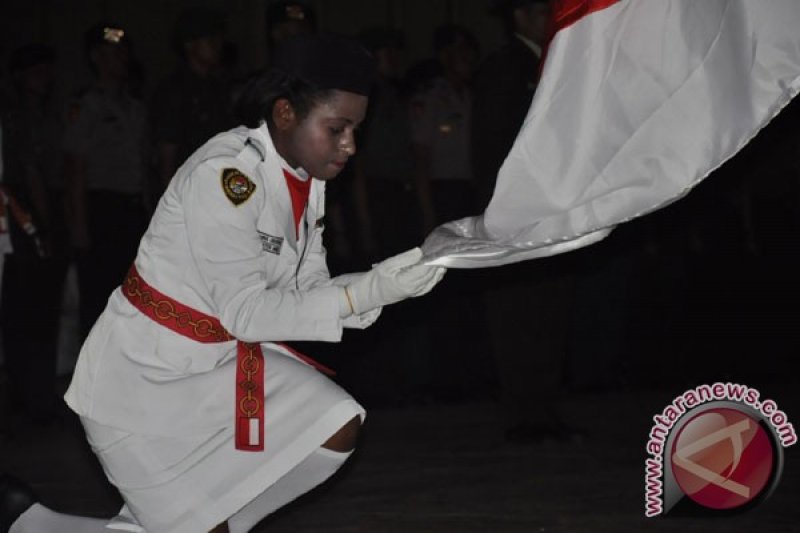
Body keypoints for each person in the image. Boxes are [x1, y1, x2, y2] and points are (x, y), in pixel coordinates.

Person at [3, 33, 445, 533]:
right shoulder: (227, 177)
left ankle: (39, 523)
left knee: (335, 424)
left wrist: (382, 285)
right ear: (284, 115)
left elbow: (308, 290)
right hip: (143, 382)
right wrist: (369, 291)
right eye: (337, 128)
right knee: (199, 527)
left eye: (355, 130)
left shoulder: (308, 179)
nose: (350, 146)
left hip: (214, 365)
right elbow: (247, 313)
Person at [471, 0, 584, 443]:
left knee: (550, 309)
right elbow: (494, 147)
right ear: (520, 15)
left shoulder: (550, 63)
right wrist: (503, 213)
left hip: (551, 210)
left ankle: (544, 408)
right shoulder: (504, 69)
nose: (552, 22)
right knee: (518, 313)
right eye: (544, 13)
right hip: (517, 211)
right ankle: (524, 413)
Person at [64, 22, 151, 339]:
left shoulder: (134, 106)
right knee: (97, 298)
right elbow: (75, 165)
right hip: (101, 209)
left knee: (131, 297)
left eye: (124, 52)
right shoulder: (87, 105)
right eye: (113, 52)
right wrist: (79, 226)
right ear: (96, 57)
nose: (122, 58)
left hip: (131, 209)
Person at [0, 43, 70, 424]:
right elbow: (29, 172)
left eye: (46, 68)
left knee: (38, 315)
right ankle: (30, 398)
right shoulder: (18, 116)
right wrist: (43, 226)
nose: (43, 76)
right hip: (26, 223)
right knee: (26, 315)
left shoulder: (45, 113)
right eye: (34, 70)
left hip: (40, 220)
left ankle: (35, 395)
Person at [150, 7, 237, 195]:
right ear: (189, 45)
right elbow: (167, 157)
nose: (217, 45)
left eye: (218, 38)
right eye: (210, 39)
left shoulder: (220, 88)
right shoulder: (174, 90)